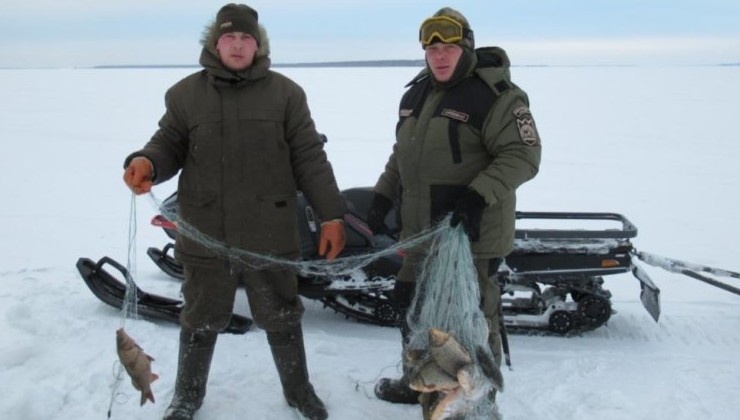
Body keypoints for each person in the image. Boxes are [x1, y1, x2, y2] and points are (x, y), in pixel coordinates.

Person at [122, 4, 346, 420]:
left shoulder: (287, 94)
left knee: (282, 315)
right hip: (207, 232)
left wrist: (331, 215)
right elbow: (167, 143)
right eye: (230, 37)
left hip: (270, 232)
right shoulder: (186, 94)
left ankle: (299, 391)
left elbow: (310, 158)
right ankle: (187, 397)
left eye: (247, 38)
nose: (239, 45)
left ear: (258, 45)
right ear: (215, 43)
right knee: (200, 317)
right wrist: (147, 162)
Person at [367, 6, 542, 413]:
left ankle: (477, 402)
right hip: (423, 234)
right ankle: (423, 384)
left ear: (466, 48)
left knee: (472, 323)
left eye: (448, 47)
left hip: (471, 237)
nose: (439, 56)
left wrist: (477, 196)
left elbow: (524, 154)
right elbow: (402, 156)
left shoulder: (496, 96)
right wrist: (381, 196)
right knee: (415, 313)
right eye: (432, 49)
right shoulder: (417, 93)